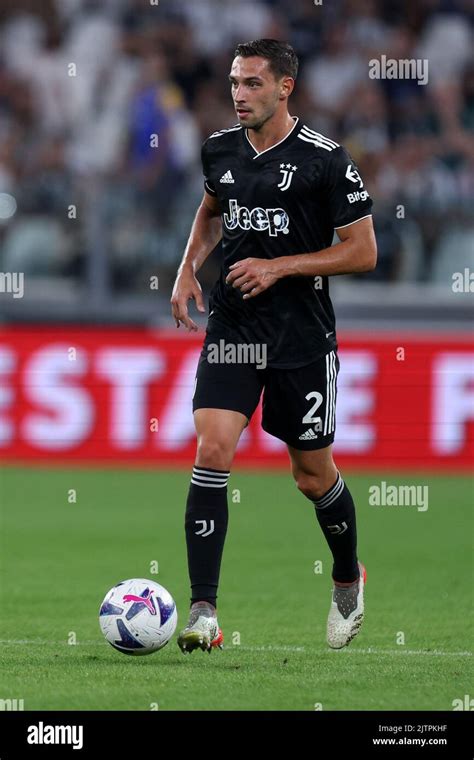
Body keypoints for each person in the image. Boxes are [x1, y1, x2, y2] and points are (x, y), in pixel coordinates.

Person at [170, 39, 377, 655]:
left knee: (312, 476)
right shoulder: (220, 150)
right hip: (233, 330)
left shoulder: (327, 161)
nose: (238, 94)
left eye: (253, 84)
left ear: (285, 87)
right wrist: (187, 270)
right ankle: (203, 611)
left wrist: (279, 267)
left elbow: (363, 251)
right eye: (234, 82)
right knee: (211, 448)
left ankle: (347, 578)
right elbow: (211, 211)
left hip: (301, 340)